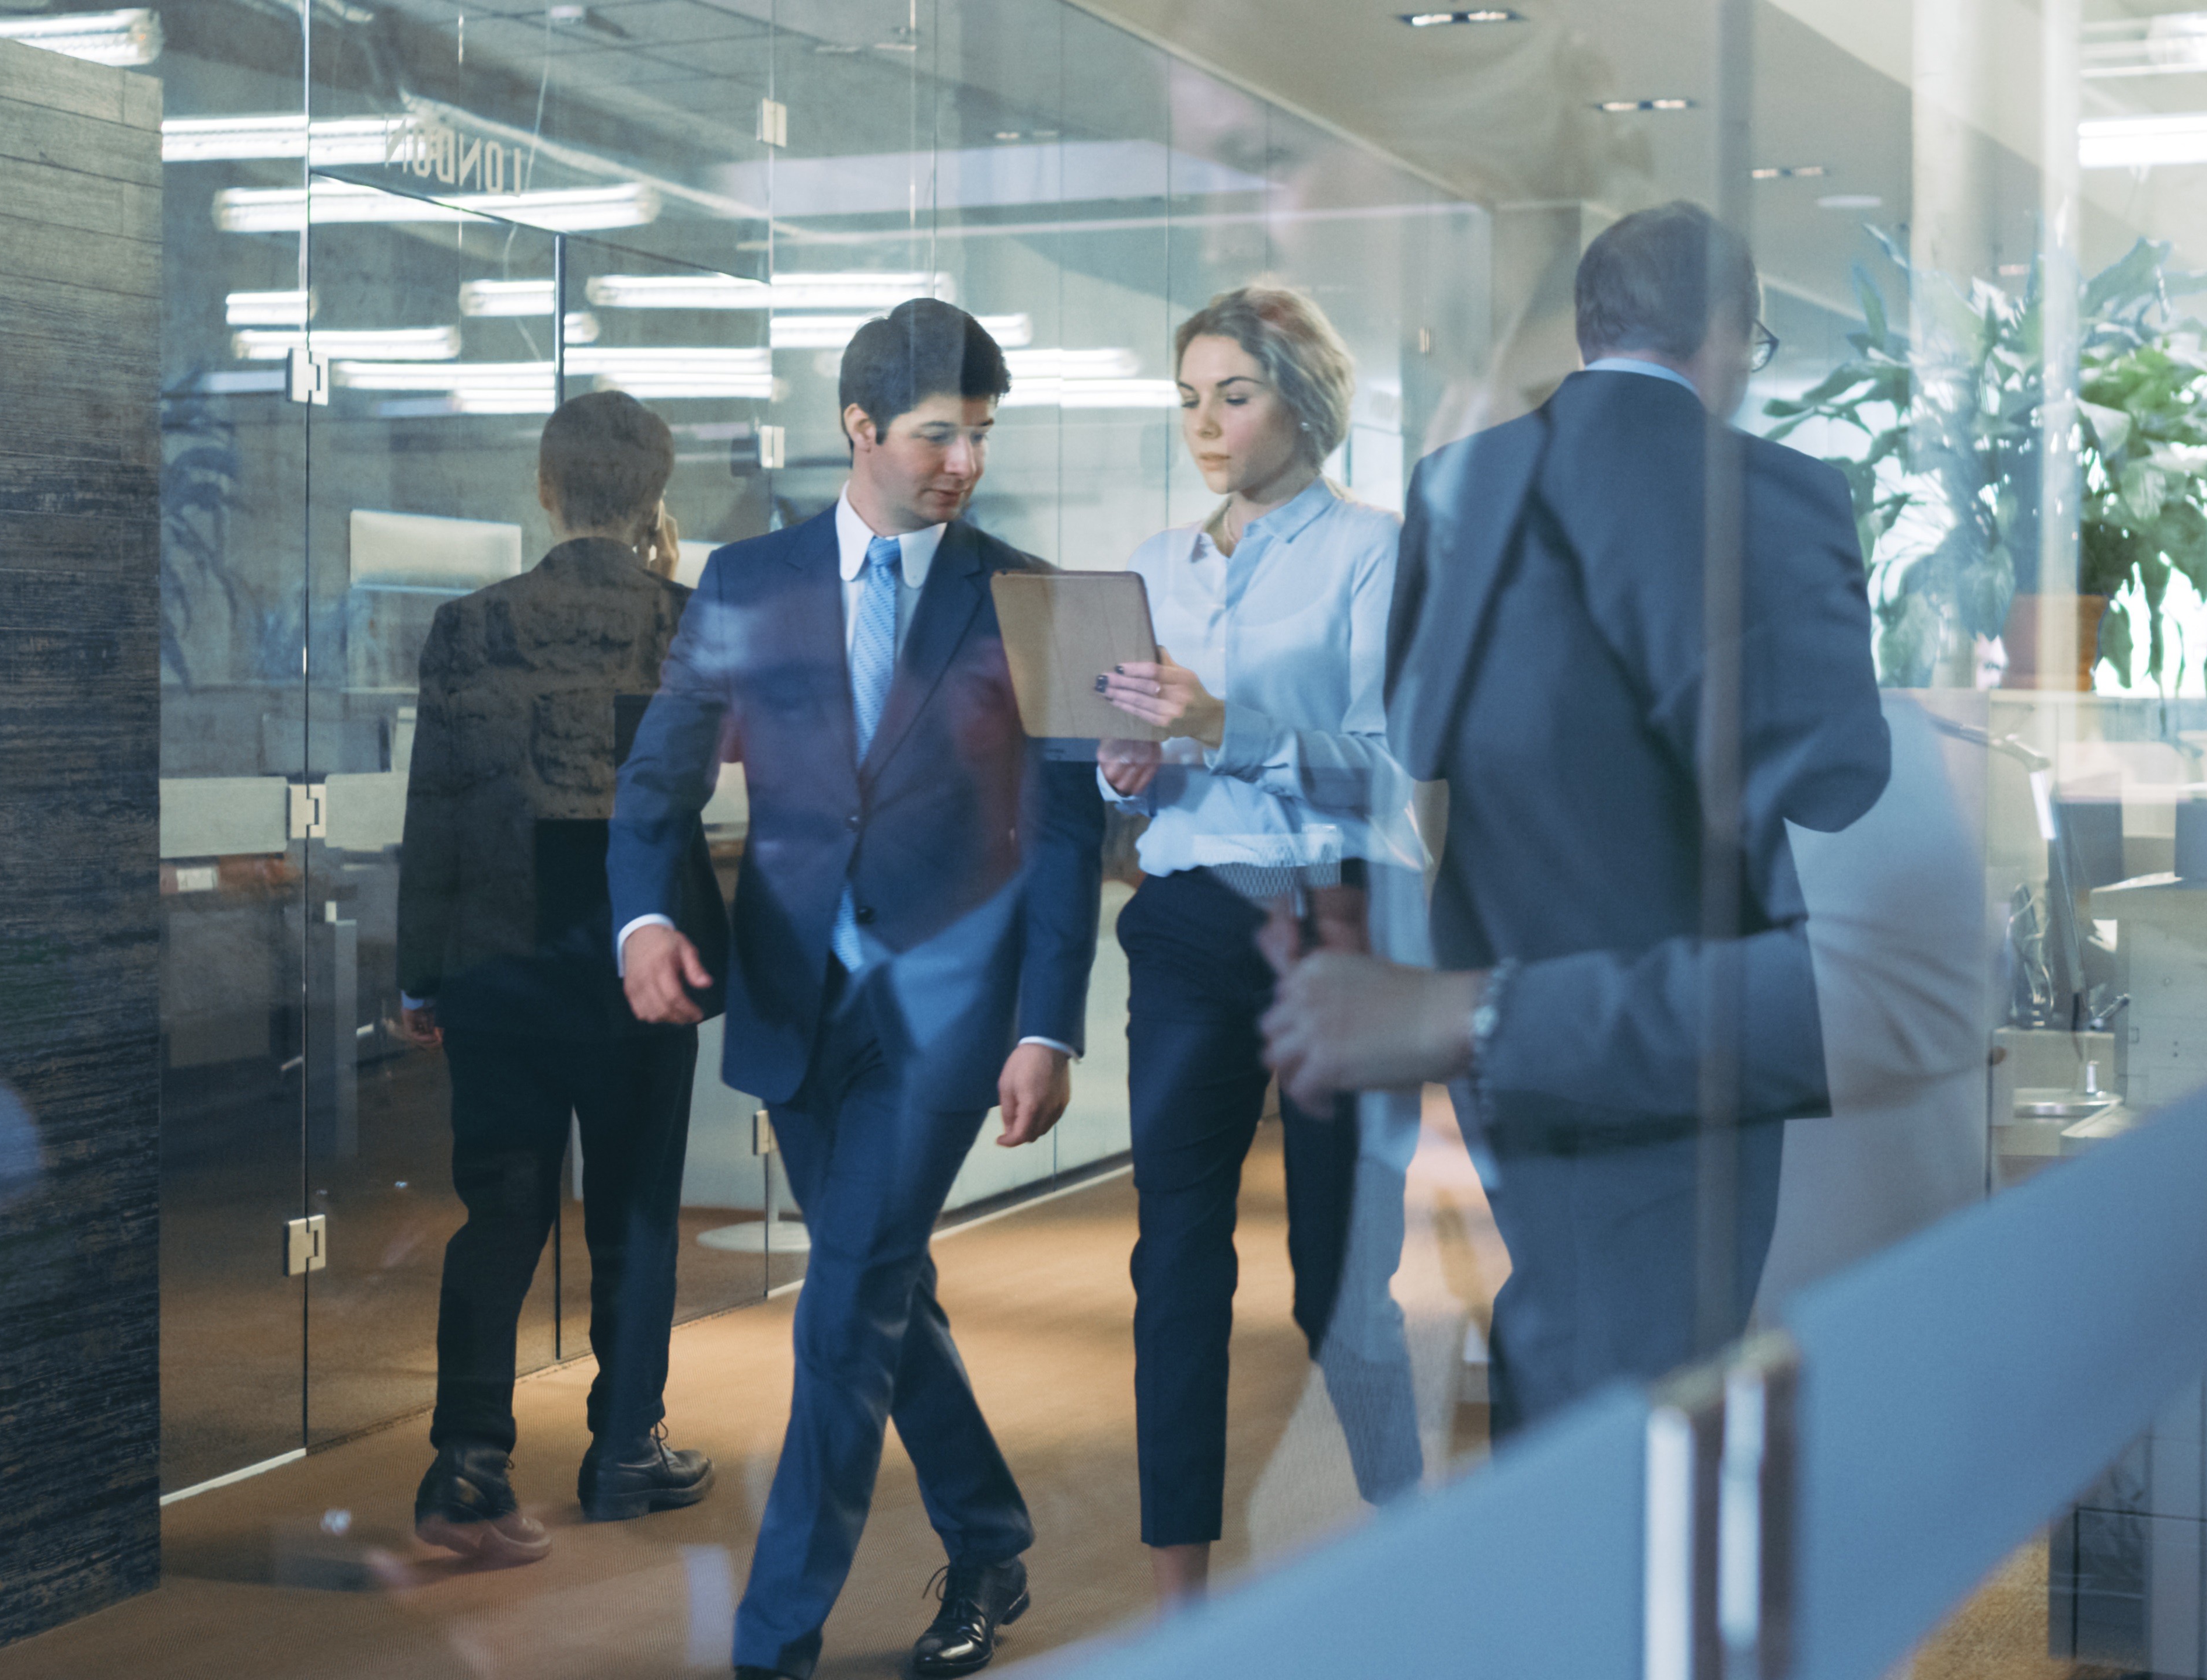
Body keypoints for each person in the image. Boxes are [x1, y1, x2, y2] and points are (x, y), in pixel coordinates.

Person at [1258, 202, 1894, 1436]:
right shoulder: (1786, 493)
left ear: (1591, 327)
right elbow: (1837, 781)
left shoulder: (1458, 482)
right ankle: (1598, 1604)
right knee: (1671, 1359)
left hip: (1499, 991)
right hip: (1688, 1005)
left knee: (1567, 1310)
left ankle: (1550, 1590)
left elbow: (1422, 737)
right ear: (1723, 331)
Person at [608, 299, 1105, 1680]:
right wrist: (645, 919)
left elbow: (1069, 835)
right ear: (859, 428)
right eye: (940, 432)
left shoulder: (1039, 597)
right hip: (790, 999)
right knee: (880, 1286)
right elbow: (659, 777)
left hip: (950, 1018)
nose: (964, 460)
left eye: (982, 436)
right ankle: (993, 1534)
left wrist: (1047, 1022)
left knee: (840, 1314)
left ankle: (775, 1642)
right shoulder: (746, 582)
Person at [1092, 284, 1423, 1605]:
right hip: (1182, 924)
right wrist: (1126, 767)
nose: (1206, 424)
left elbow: (1389, 777)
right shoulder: (1155, 565)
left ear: (1304, 399)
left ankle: (1407, 1535)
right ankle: (1182, 1587)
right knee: (1173, 1257)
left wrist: (1220, 722)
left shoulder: (1374, 551)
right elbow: (1136, 773)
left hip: (1333, 924)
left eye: (1233, 393)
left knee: (1338, 1277)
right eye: (1188, 398)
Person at [396, 390, 723, 1567]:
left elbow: (432, 804)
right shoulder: (688, 621)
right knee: (635, 1208)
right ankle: (625, 1446)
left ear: (545, 487)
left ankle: (469, 1462)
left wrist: (419, 973)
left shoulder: (468, 625)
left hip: (495, 951)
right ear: (653, 496)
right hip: (638, 952)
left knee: (501, 1208)